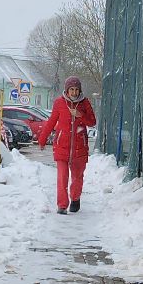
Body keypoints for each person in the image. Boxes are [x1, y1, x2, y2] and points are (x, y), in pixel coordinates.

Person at [43, 76, 97, 214]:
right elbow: (51, 121)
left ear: (80, 91)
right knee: (62, 177)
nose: (74, 92)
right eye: (71, 89)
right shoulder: (59, 103)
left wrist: (80, 115)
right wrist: (42, 138)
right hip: (62, 146)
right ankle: (62, 205)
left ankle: (75, 198)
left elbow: (92, 122)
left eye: (76, 90)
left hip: (80, 148)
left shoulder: (85, 103)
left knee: (77, 178)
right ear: (66, 90)